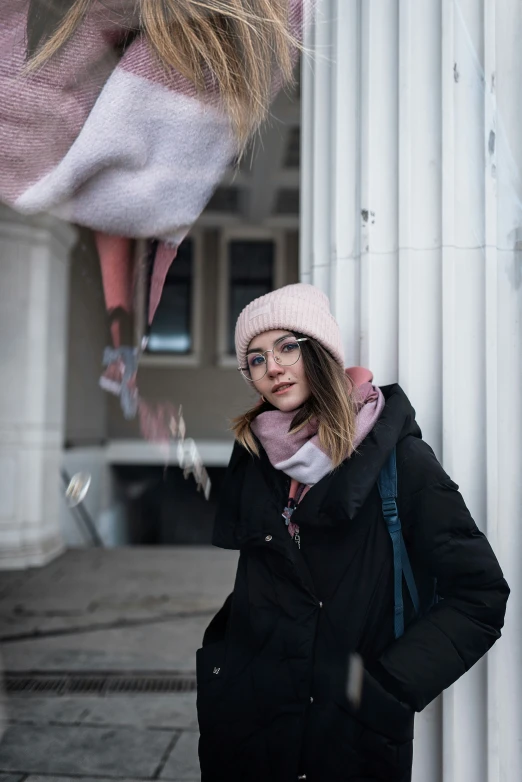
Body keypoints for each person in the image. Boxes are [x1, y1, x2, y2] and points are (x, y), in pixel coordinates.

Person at [196, 282, 509, 782]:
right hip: (250, 726)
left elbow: (480, 594)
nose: (272, 366)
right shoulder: (257, 457)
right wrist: (223, 662)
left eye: (286, 347)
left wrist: (386, 685)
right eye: (255, 359)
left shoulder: (396, 460)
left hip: (349, 736)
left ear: (318, 352)